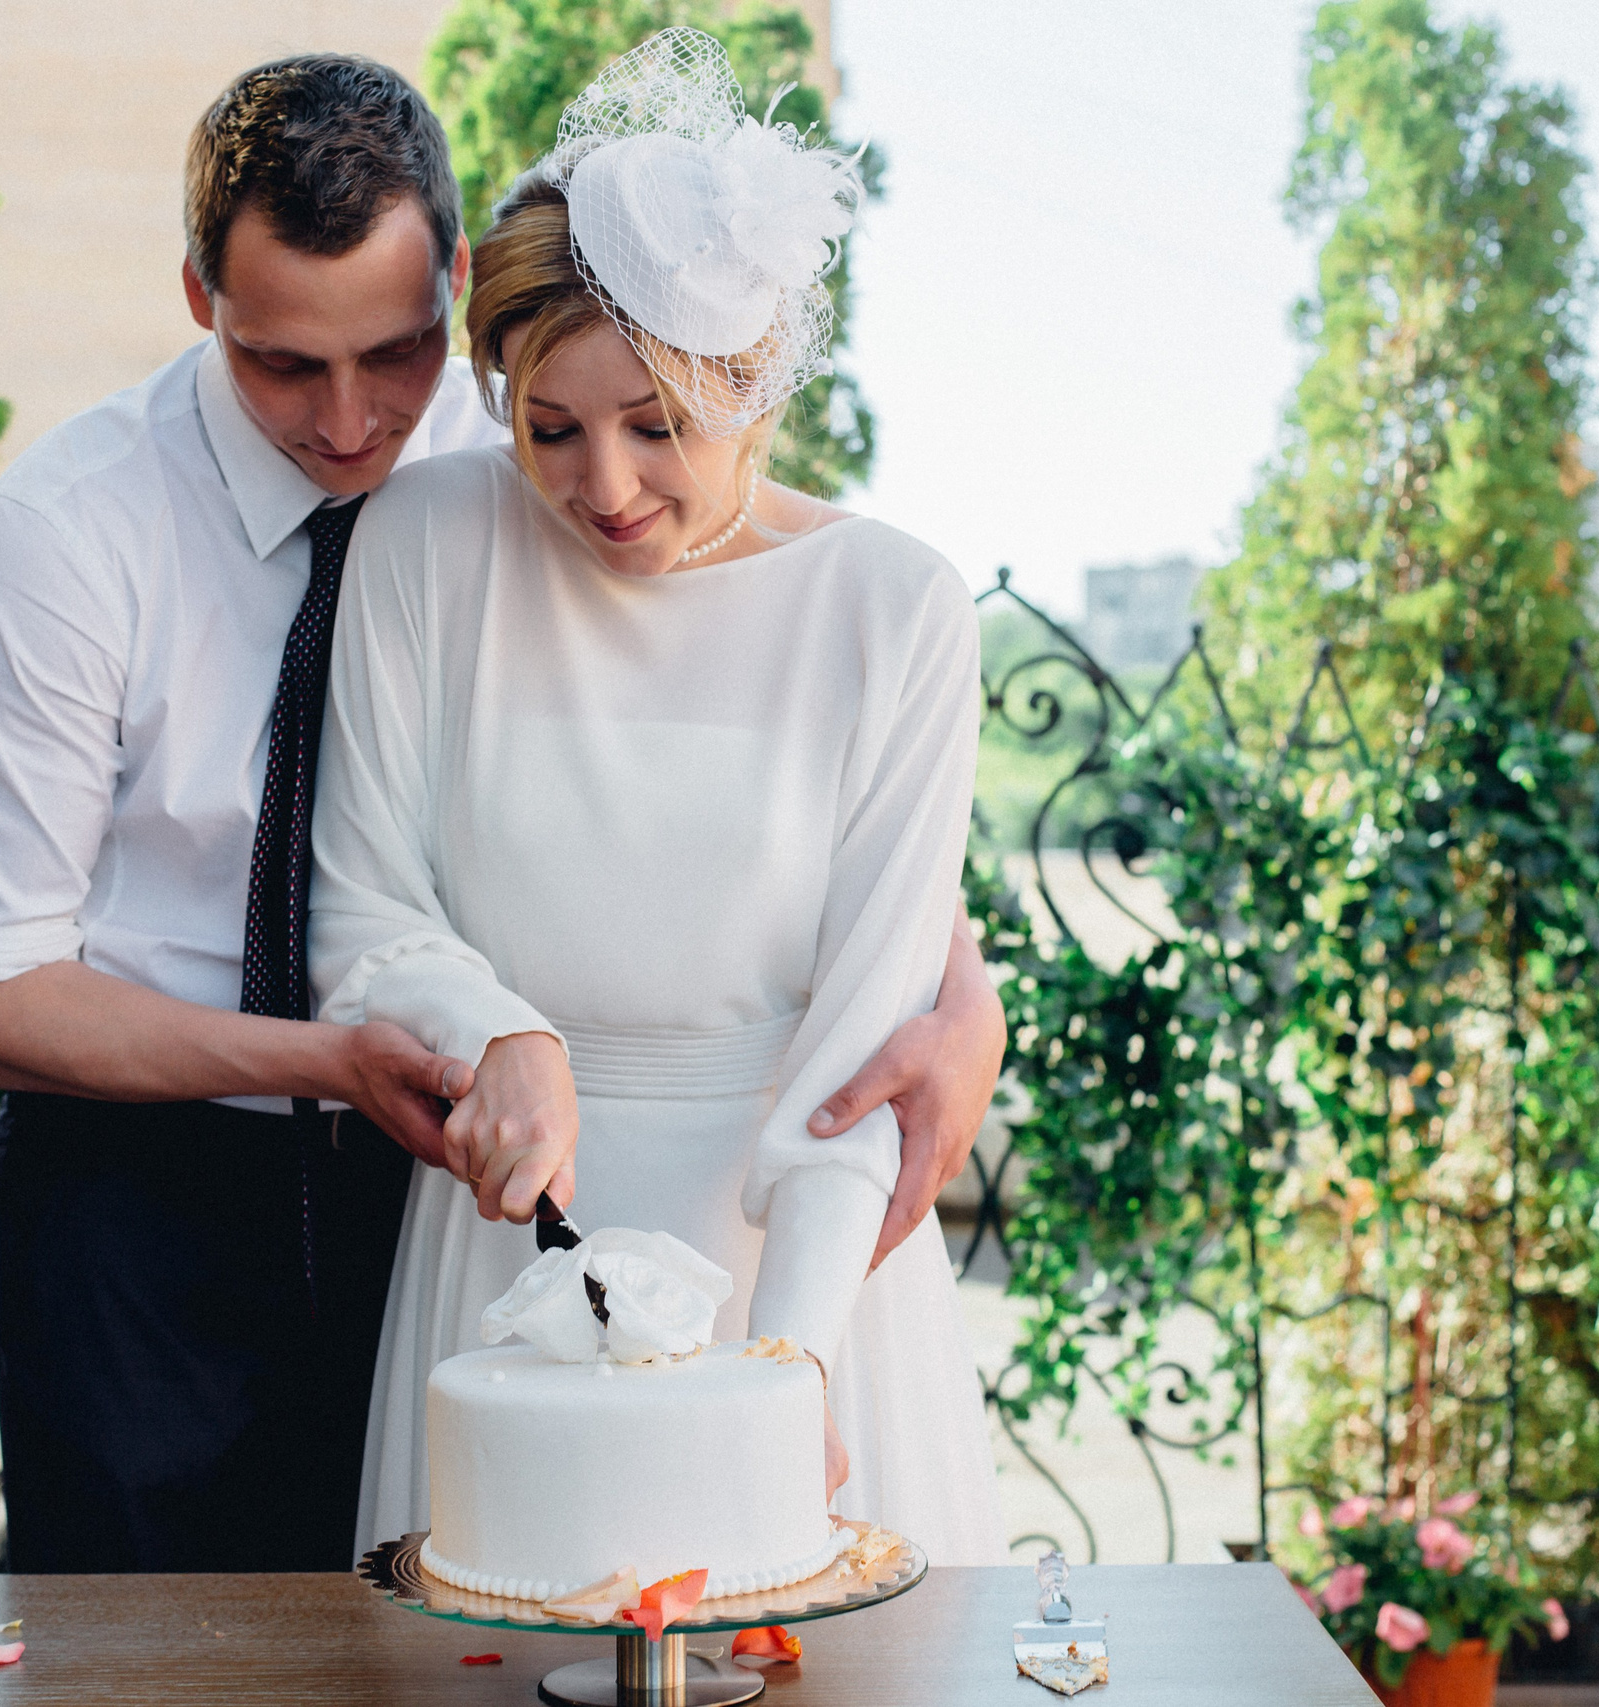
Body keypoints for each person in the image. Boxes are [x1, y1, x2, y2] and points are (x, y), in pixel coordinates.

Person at [0, 52, 1005, 1574]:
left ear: (458, 291)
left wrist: (959, 982)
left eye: (401, 354)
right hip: (158, 1201)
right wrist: (373, 1053)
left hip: (432, 1179)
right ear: (198, 298)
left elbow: (765, 809)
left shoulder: (518, 452)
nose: (353, 423)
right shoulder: (68, 541)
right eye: (285, 363)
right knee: (154, 1656)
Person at [315, 30, 1004, 1565]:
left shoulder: (896, 610)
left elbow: (862, 1052)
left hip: (793, 1269)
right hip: (506, 1263)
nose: (606, 486)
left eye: (658, 427)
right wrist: (500, 1030)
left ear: (755, 381)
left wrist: (792, 1374)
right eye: (548, 429)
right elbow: (362, 902)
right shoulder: (425, 542)